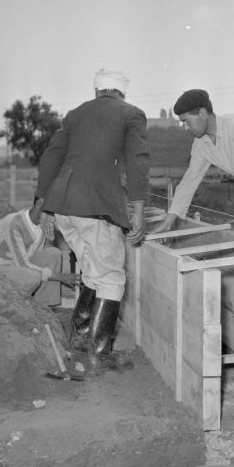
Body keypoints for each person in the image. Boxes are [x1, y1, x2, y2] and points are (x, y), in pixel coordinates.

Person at [35, 68, 150, 372]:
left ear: (97, 91)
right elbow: (138, 161)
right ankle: (100, 354)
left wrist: (45, 204)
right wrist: (137, 208)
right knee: (112, 278)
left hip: (64, 206)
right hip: (96, 206)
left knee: (90, 271)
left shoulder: (74, 115)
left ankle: (79, 339)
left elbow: (51, 157)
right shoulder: (131, 114)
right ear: (121, 93)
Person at [151, 89, 234, 240]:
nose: (186, 128)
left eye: (187, 121)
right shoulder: (201, 143)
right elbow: (190, 180)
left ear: (202, 113)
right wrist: (169, 220)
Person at [0, 197, 79, 307]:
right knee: (33, 277)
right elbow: (23, 265)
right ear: (39, 203)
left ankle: (45, 307)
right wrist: (61, 277)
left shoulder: (42, 224)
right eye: (53, 212)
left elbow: (34, 257)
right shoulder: (14, 223)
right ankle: (20, 307)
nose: (54, 218)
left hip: (17, 265)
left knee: (53, 254)